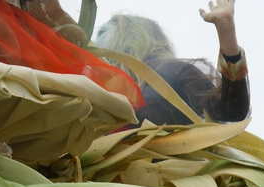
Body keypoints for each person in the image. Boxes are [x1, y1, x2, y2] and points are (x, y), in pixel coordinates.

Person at [94, 0, 249, 125]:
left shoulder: (174, 71)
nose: (95, 40)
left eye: (102, 31)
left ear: (130, 35)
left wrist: (226, 29)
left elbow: (230, 109)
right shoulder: (96, 88)